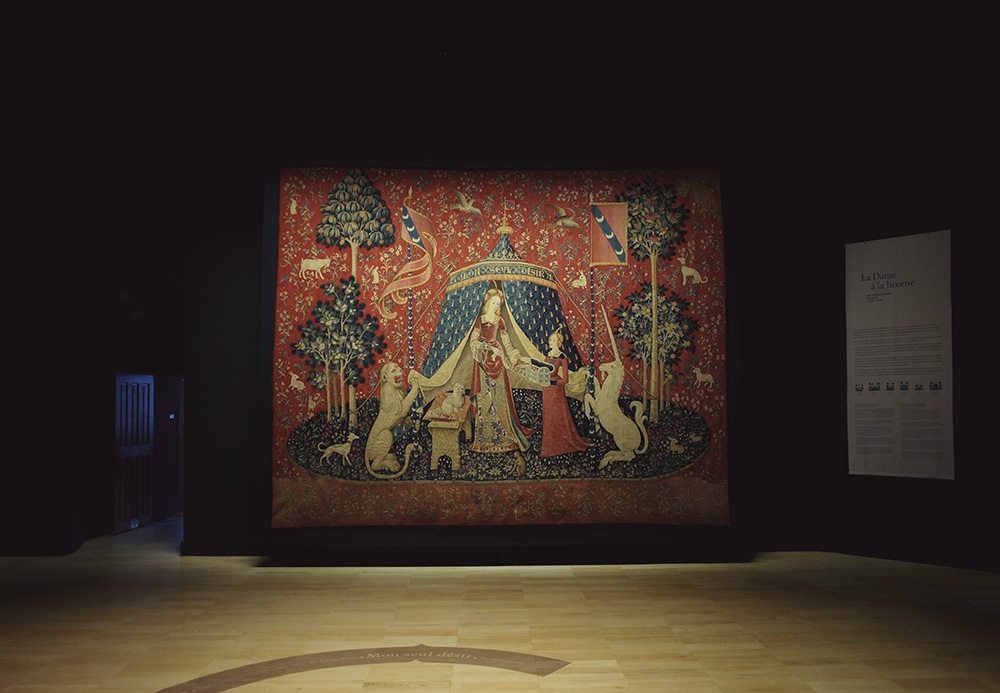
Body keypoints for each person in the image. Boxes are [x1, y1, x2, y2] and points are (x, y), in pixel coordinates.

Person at [469, 289, 533, 469]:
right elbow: (473, 341)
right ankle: (485, 438)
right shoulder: (480, 320)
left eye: (498, 303)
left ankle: (504, 434)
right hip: (482, 359)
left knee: (499, 397)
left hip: (497, 358)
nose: (496, 306)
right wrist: (483, 346)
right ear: (487, 303)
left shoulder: (500, 321)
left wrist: (513, 355)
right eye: (494, 302)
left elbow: (507, 343)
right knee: (484, 397)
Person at [540, 329, 589, 457]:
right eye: (550, 340)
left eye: (553, 340)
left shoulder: (562, 357)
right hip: (546, 389)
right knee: (548, 417)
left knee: (558, 416)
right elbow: (544, 371)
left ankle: (562, 443)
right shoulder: (548, 355)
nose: (551, 342)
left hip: (556, 390)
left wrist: (553, 383)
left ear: (559, 342)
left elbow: (565, 379)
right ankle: (549, 444)